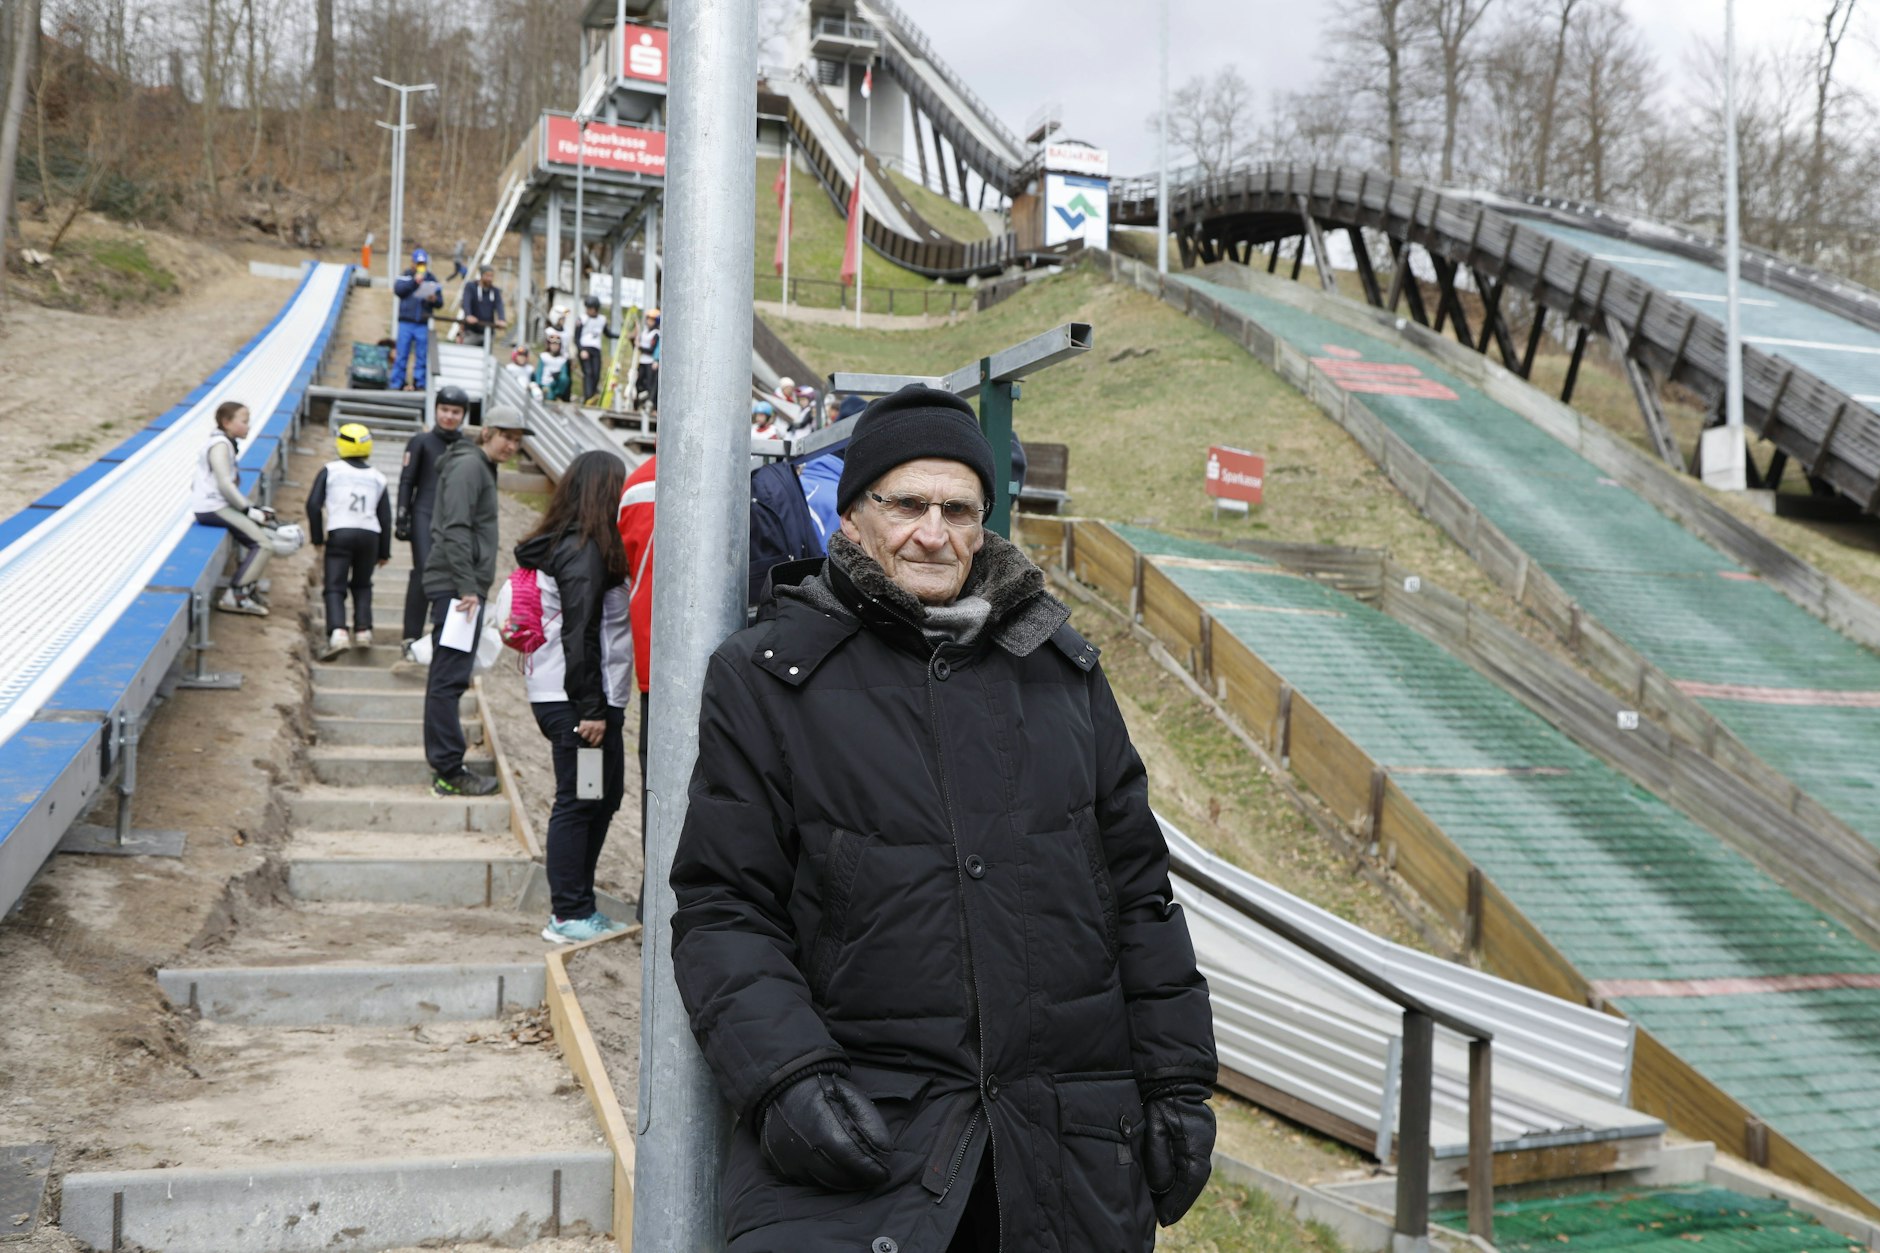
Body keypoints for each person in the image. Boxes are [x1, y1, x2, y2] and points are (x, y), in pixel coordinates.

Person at [670, 386, 1218, 1252]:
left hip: (1064, 1156)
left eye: (959, 508)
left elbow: (1139, 897)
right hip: (865, 1146)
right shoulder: (767, 677)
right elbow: (724, 907)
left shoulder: (1063, 675)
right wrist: (788, 1077)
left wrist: (1179, 1077)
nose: (934, 532)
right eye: (907, 504)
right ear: (853, 517)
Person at [513, 450, 636, 942]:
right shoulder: (583, 551)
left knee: (599, 798)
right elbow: (580, 632)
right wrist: (591, 709)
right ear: (605, 491)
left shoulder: (568, 543)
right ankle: (567, 912)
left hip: (579, 697)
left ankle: (578, 904)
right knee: (580, 800)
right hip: (580, 702)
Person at [422, 408, 533, 797]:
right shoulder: (470, 466)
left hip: (461, 586)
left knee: (451, 677)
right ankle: (448, 770)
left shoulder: (480, 466)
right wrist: (468, 586)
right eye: (506, 436)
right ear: (487, 432)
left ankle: (448, 765)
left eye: (518, 440)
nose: (512, 445)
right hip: (457, 588)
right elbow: (455, 528)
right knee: (447, 679)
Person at [396, 385, 472, 660]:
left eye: (455, 412)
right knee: (425, 571)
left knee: (452, 576)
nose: (449, 416)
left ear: (464, 414)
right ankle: (410, 636)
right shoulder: (421, 442)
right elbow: (407, 480)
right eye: (444, 410)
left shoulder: (467, 448)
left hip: (455, 521)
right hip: (424, 514)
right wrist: (402, 514)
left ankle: (441, 638)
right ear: (436, 409)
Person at [307, 422, 392, 658]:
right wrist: (384, 552)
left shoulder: (331, 470)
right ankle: (363, 630)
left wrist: (317, 537)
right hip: (370, 535)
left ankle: (338, 631)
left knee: (335, 586)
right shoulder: (378, 477)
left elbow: (313, 505)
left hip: (340, 532)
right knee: (363, 584)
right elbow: (385, 518)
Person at [616, 454, 656, 916]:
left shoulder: (637, 482)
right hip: (724, 658)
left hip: (651, 655)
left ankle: (652, 899)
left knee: (656, 785)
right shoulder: (732, 471)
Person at [189, 400, 274, 617]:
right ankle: (236, 596)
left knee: (259, 534)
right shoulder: (220, 444)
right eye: (244, 421)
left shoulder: (223, 442)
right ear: (227, 422)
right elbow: (224, 483)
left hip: (213, 504)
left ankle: (246, 588)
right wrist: (248, 510)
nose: (248, 426)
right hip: (212, 507)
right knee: (263, 544)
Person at [392, 247, 445, 391]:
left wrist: (434, 299)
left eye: (423, 264)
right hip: (406, 322)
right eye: (418, 263)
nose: (421, 266)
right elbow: (398, 290)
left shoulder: (432, 279)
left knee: (421, 355)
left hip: (422, 322)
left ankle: (419, 383)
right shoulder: (405, 275)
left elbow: (440, 302)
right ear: (412, 263)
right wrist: (415, 282)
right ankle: (397, 383)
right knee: (402, 354)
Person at [576, 295, 615, 404]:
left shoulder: (602, 319)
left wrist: (621, 335)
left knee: (596, 373)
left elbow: (608, 334)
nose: (589, 311)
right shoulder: (582, 319)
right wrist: (581, 350)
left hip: (596, 349)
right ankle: (588, 396)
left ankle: (593, 395)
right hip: (584, 349)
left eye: (591, 308)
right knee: (588, 373)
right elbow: (576, 337)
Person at [461, 265, 507, 347]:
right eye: (487, 276)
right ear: (481, 275)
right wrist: (468, 315)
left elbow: (499, 305)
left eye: (491, 276)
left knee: (486, 356)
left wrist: (501, 319)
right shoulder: (471, 287)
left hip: (488, 332)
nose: (490, 279)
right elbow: (466, 301)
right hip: (472, 331)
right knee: (467, 353)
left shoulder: (495, 291)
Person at [532, 329, 573, 403]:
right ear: (549, 345)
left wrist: (557, 375)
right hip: (545, 383)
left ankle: (558, 395)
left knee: (565, 378)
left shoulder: (563, 359)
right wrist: (538, 384)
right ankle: (547, 395)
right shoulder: (544, 356)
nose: (554, 346)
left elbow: (564, 374)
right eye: (553, 344)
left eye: (556, 344)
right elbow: (539, 372)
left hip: (556, 383)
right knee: (549, 396)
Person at [634, 308, 660, 413]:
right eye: (648, 319)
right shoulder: (644, 332)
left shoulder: (656, 334)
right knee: (639, 383)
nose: (649, 322)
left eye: (652, 320)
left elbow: (651, 349)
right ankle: (638, 403)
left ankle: (651, 405)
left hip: (650, 362)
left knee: (650, 384)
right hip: (642, 362)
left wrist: (640, 347)